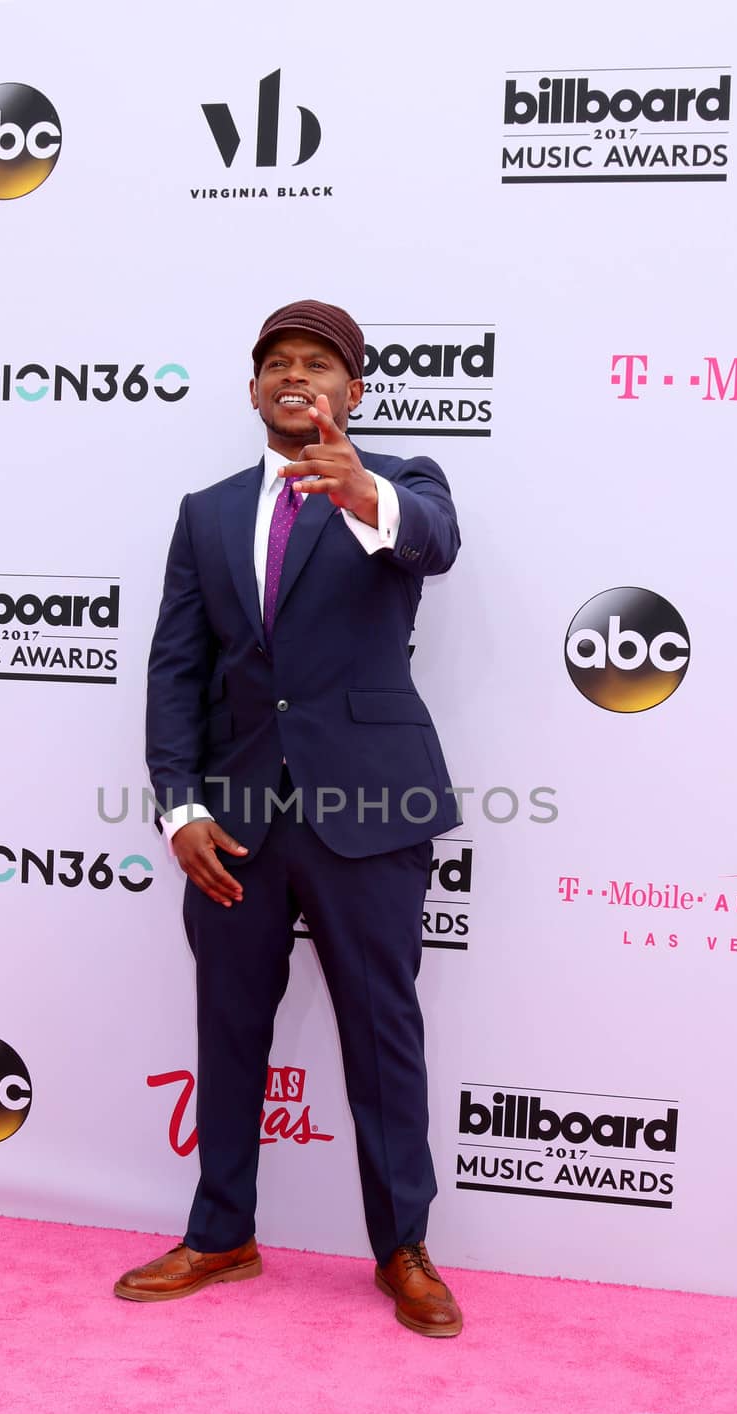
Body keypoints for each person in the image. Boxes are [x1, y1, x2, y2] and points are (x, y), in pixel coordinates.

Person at [115, 300, 464, 1337]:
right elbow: (177, 666)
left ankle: (401, 1247)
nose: (293, 373)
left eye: (317, 362)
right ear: (254, 387)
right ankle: (221, 1231)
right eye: (276, 361)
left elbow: (434, 547)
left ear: (352, 391)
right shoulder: (208, 511)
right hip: (234, 816)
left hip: (370, 802)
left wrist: (361, 490)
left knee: (381, 1029)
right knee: (226, 1029)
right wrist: (179, 803)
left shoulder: (403, 486)